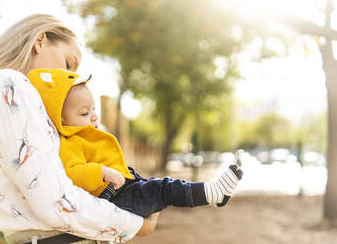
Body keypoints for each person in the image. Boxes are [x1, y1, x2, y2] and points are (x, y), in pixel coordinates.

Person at [0, 13, 159, 244]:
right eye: (68, 63)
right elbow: (55, 201)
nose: (69, 77)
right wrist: (138, 224)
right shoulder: (10, 85)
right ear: (40, 41)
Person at [26, 68, 244, 218]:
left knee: (160, 185)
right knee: (164, 189)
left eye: (94, 109)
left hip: (123, 186)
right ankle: (212, 192)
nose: (93, 117)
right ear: (60, 120)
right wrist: (101, 172)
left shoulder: (86, 135)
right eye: (84, 113)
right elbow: (71, 174)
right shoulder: (70, 143)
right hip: (113, 198)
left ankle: (212, 194)